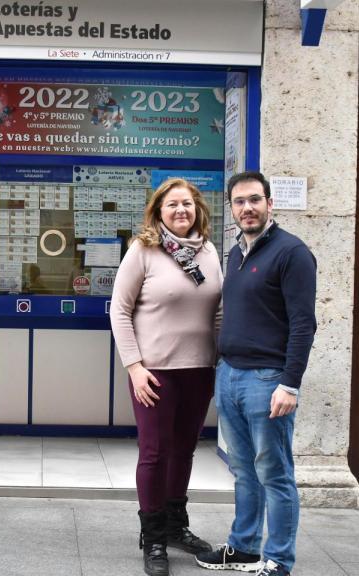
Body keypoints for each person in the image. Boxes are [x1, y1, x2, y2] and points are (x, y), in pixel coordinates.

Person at [196, 171, 317, 576]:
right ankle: (244, 547)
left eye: (254, 200)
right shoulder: (235, 253)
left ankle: (278, 560)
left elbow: (303, 324)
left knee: (275, 473)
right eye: (239, 202)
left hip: (269, 380)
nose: (247, 208)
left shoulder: (292, 253)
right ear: (231, 208)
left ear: (270, 203)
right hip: (230, 375)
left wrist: (290, 383)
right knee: (243, 469)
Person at [110, 178, 224, 576]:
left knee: (184, 451)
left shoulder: (209, 252)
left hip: (199, 370)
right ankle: (154, 537)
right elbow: (119, 311)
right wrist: (135, 368)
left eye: (188, 204)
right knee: (155, 453)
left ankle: (176, 526)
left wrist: (220, 358)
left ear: (198, 210)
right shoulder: (143, 250)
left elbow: (217, 312)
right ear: (158, 210)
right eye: (173, 204)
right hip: (154, 373)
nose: (181, 211)